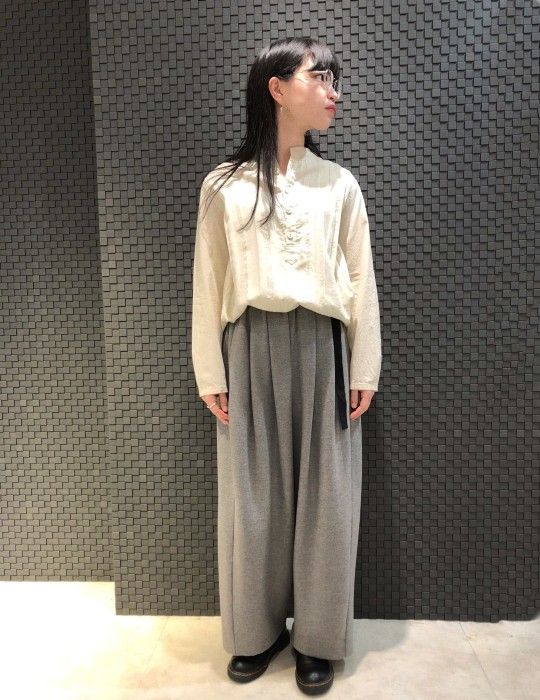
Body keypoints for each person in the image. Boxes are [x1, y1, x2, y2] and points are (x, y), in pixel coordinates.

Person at [191, 37, 382, 695]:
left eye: (335, 80)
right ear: (277, 88)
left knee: (327, 501)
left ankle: (317, 640)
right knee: (252, 500)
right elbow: (209, 280)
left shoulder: (339, 185)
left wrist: (364, 365)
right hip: (247, 349)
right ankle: (256, 631)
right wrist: (210, 371)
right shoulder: (223, 185)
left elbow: (360, 277)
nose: (333, 92)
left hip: (322, 350)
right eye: (320, 77)